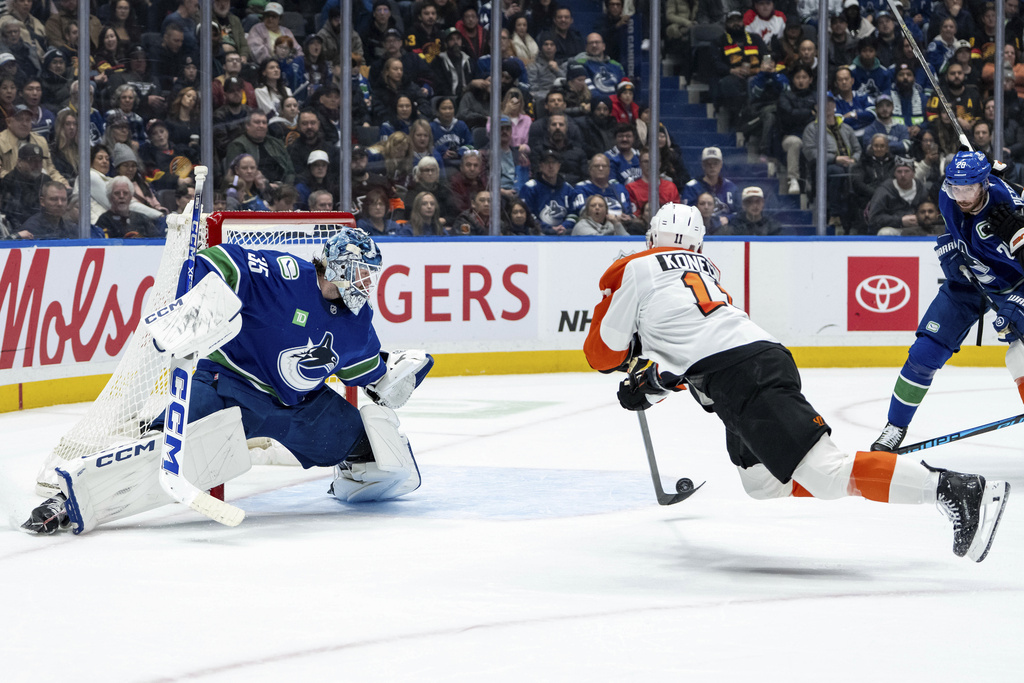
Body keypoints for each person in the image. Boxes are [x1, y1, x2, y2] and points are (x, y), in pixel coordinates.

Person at [583, 202, 1010, 563]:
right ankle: (859, 471)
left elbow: (602, 355)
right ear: (698, 245)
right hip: (754, 363)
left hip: (743, 377)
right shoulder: (708, 273)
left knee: (825, 474)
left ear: (650, 237)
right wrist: (654, 380)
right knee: (761, 482)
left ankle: (956, 489)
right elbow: (692, 352)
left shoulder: (632, 267)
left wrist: (632, 356)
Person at [24, 226, 434, 534]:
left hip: (296, 408)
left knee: (362, 443)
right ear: (339, 265)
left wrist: (398, 372)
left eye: (371, 275)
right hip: (227, 384)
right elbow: (223, 260)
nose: (368, 283)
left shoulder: (357, 320)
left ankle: (350, 474)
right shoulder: (286, 273)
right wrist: (194, 295)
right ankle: (69, 501)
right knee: (164, 447)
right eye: (362, 273)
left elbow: (370, 374)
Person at [871, 150, 1024, 452]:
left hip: (1013, 286)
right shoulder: (947, 195)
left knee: (1018, 356)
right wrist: (952, 245)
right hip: (966, 283)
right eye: (956, 188)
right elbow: (959, 221)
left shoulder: (1009, 210)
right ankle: (894, 427)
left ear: (984, 185)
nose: (962, 197)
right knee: (923, 354)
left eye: (968, 189)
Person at [866, 155, 929, 235]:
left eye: (907, 171)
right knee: (885, 233)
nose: (903, 175)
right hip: (894, 229)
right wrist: (900, 221)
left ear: (913, 173)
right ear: (894, 174)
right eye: (899, 171)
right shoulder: (884, 191)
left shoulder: (921, 188)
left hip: (918, 228)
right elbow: (874, 219)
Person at [519, 148, 577, 235]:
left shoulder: (568, 189)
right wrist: (548, 228)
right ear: (541, 166)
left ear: (559, 165)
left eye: (554, 162)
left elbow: (573, 214)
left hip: (564, 235)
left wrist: (564, 226)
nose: (550, 166)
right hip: (538, 235)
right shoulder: (530, 188)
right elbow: (528, 215)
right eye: (547, 162)